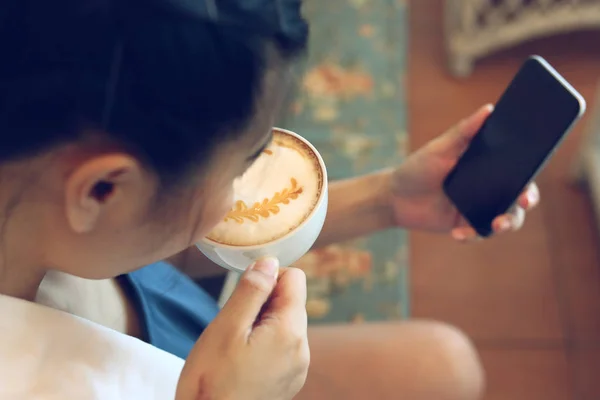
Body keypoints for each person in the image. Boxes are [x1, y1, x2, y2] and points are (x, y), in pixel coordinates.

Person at [0, 0, 539, 399]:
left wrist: (387, 199)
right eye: (242, 164)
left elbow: (152, 230)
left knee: (446, 364)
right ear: (102, 188)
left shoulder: (37, 191)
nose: (243, 186)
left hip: (184, 340)